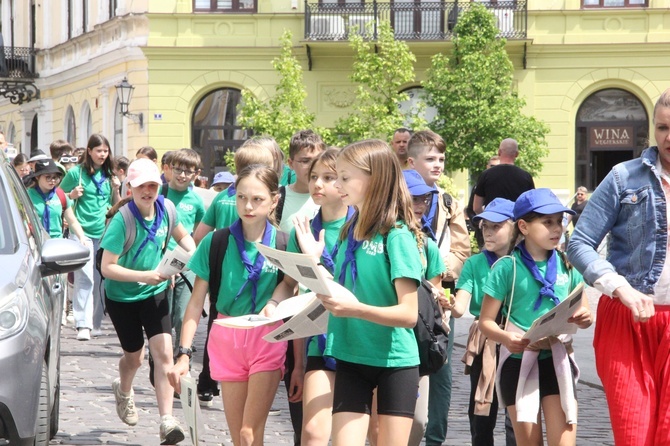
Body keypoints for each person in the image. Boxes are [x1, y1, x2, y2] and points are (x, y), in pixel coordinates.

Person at [293, 139, 424, 446]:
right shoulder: (349, 229)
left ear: (374, 179)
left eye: (344, 177)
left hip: (394, 363)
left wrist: (354, 310)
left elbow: (408, 314)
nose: (336, 184)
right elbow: (340, 290)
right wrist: (314, 262)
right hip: (350, 356)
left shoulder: (397, 235)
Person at [567, 89, 670, 446]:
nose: (668, 137)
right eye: (662, 128)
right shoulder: (623, 177)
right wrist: (619, 287)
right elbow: (578, 243)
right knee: (634, 433)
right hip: (626, 320)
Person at [169, 164, 298, 446]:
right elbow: (195, 304)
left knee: (249, 434)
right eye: (241, 197)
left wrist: (275, 300)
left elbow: (291, 284)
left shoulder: (285, 243)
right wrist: (184, 354)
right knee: (238, 436)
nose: (247, 206)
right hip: (226, 337)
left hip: (266, 336)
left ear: (274, 200)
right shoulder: (216, 242)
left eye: (257, 199)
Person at [479, 188, 592, 446]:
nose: (557, 229)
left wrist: (585, 317)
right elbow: (486, 322)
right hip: (518, 362)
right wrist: (506, 337)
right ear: (524, 226)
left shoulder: (567, 264)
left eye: (560, 221)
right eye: (547, 222)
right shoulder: (507, 267)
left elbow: (585, 312)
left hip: (556, 360)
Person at [100, 158, 195, 445]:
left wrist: (183, 262)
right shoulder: (122, 221)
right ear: (130, 187)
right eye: (141, 185)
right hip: (121, 298)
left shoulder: (167, 208)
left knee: (164, 354)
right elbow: (107, 267)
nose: (148, 191)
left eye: (153, 185)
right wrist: (146, 274)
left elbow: (186, 242)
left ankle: (167, 420)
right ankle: (124, 390)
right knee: (135, 357)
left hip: (154, 293)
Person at [406, 129, 471, 446]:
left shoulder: (448, 203)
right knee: (407, 366)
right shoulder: (396, 198)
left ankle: (435, 438)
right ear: (410, 161)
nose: (437, 165)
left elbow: (462, 248)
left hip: (441, 297)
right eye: (430, 158)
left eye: (441, 159)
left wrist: (445, 271)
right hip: (404, 293)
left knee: (440, 367)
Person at [286, 148, 354, 446]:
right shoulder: (301, 230)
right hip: (319, 342)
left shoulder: (364, 228)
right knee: (312, 433)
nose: (318, 184)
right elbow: (292, 287)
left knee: (352, 436)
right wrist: (298, 365)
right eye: (314, 177)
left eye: (328, 177)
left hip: (359, 342)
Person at [448, 198, 517, 446]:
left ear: (515, 226)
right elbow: (459, 308)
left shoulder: (522, 261)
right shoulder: (475, 263)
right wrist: (447, 303)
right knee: (481, 412)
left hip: (516, 338)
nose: (487, 232)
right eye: (484, 226)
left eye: (496, 226)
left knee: (516, 413)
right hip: (485, 339)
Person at [60, 134, 121, 340]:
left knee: (99, 278)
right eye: (98, 151)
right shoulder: (76, 173)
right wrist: (71, 196)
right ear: (89, 151)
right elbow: (57, 197)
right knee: (84, 278)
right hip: (81, 232)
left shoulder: (110, 175)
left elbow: (116, 206)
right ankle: (82, 324)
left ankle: (95, 322)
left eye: (105, 151)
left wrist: (116, 189)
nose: (102, 154)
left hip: (104, 232)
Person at [162, 149, 205, 353]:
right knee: (163, 318)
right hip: (161, 263)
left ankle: (182, 355)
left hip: (187, 263)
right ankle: (161, 357)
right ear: (170, 168)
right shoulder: (160, 194)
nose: (182, 175)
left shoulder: (196, 200)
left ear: (196, 174)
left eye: (188, 172)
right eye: (178, 170)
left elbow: (198, 231)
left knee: (182, 315)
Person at [26, 158, 89, 245]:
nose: (52, 181)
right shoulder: (27, 195)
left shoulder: (60, 194)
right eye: (48, 177)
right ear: (37, 177)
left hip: (57, 244)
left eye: (55, 177)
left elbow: (72, 221)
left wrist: (82, 237)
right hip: (36, 244)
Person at [277, 129, 326, 233]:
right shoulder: (277, 199)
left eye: (317, 160)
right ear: (291, 163)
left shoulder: (334, 197)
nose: (312, 166)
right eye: (305, 161)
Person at [472, 139, 535, 215]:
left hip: (493, 221)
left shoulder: (486, 175)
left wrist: (486, 218)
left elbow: (476, 207)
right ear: (517, 154)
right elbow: (532, 204)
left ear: (499, 152)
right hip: (515, 222)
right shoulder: (526, 176)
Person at [467, 156, 501, 248]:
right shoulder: (480, 185)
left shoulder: (505, 185)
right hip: (483, 232)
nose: (494, 170)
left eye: (498, 167)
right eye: (492, 166)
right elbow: (471, 209)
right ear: (487, 167)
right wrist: (480, 222)